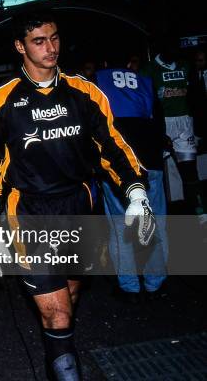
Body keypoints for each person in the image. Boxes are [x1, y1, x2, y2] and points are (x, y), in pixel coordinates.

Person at [0, 10, 154, 379]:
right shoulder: (1, 101)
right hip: (30, 213)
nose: (50, 48)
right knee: (55, 312)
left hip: (80, 209)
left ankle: (58, 352)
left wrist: (137, 194)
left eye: (54, 38)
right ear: (20, 47)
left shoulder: (85, 93)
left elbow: (113, 148)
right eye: (39, 41)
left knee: (68, 301)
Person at [96, 61, 168, 303]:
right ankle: (155, 283)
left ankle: (129, 286)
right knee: (155, 222)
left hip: (120, 162)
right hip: (150, 156)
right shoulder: (145, 81)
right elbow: (158, 119)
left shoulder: (97, 81)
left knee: (119, 226)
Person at [142, 36, 206, 221]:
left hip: (184, 122)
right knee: (156, 173)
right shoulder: (149, 70)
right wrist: (155, 129)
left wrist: (199, 127)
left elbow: (196, 96)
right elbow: (147, 103)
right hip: (162, 124)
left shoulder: (185, 66)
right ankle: (155, 217)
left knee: (189, 170)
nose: (174, 52)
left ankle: (200, 213)